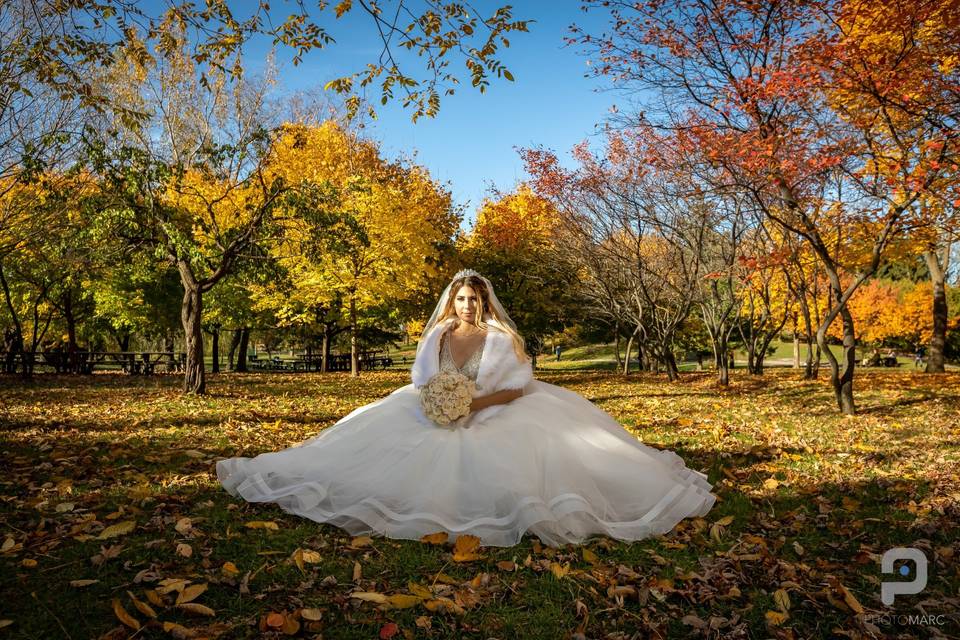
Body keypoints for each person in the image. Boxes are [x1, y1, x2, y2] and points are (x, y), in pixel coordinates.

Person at [216, 270, 716, 548]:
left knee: (514, 456)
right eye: (461, 300)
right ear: (451, 304)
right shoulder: (436, 335)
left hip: (497, 409)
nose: (467, 307)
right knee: (370, 443)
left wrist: (474, 403)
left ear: (485, 303)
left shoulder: (502, 338)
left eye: (474, 300)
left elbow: (520, 388)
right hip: (433, 409)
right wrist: (439, 402)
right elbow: (422, 380)